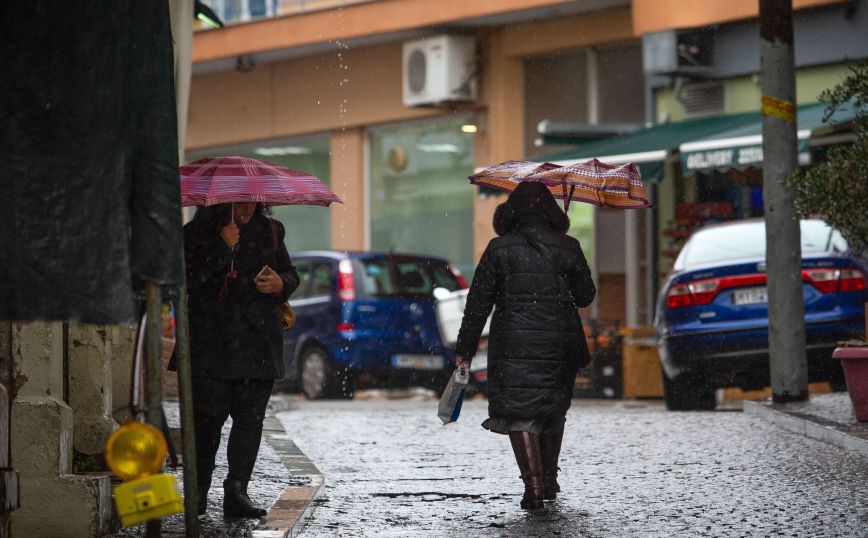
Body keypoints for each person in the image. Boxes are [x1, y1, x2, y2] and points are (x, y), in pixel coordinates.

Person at [454, 181, 596, 510]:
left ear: (511, 213)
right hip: (559, 344)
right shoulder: (569, 246)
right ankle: (548, 479)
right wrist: (567, 258)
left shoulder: (498, 249)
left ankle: (533, 485)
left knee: (521, 411)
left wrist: (465, 347)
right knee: (551, 409)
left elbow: (478, 304)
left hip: (513, 342)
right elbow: (586, 296)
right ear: (550, 213)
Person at [183, 201, 300, 517]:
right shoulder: (196, 233)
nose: (246, 207)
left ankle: (237, 492)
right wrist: (221, 247)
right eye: (238, 201)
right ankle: (197, 493)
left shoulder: (271, 231)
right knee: (206, 424)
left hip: (257, 343)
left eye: (251, 200)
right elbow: (188, 281)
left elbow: (289, 274)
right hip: (211, 345)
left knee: (250, 422)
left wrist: (280, 283)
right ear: (221, 202)